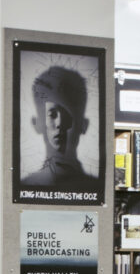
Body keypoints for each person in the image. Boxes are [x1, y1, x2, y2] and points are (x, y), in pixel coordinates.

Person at [20, 63, 97, 196]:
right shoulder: (25, 186)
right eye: (52, 114)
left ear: (83, 125)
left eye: (68, 115)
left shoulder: (94, 188)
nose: (60, 123)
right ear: (37, 124)